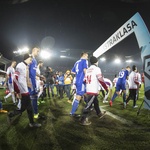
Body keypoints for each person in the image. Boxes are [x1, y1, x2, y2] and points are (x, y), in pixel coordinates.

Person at [7, 53, 41, 127]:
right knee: (24, 108)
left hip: (25, 90)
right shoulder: (20, 65)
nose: (31, 61)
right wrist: (18, 92)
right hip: (23, 92)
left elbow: (22, 78)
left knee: (29, 107)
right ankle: (11, 114)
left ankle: (31, 123)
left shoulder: (25, 66)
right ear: (26, 58)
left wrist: (27, 83)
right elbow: (14, 79)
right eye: (30, 60)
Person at [80, 56, 108, 125]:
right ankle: (83, 120)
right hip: (93, 90)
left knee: (96, 102)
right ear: (96, 61)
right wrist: (106, 88)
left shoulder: (88, 69)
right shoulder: (97, 69)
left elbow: (84, 80)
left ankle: (99, 113)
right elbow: (100, 80)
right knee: (88, 105)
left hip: (89, 89)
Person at [28, 47, 40, 119]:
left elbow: (34, 72)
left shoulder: (35, 60)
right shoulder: (30, 57)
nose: (38, 53)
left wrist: (40, 76)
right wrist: (27, 81)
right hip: (30, 81)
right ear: (34, 50)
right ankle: (35, 113)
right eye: (37, 51)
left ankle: (35, 113)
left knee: (31, 97)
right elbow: (26, 69)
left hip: (33, 81)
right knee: (32, 97)